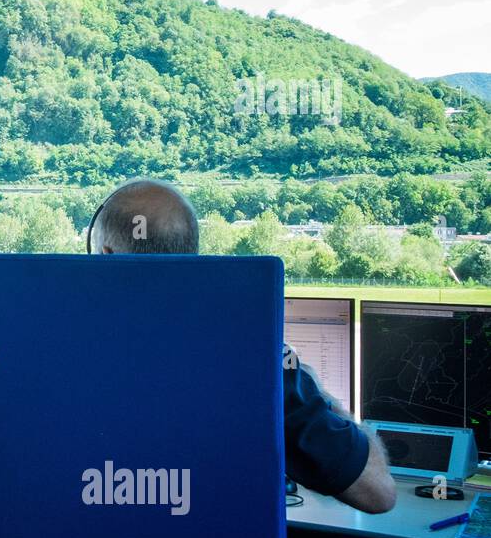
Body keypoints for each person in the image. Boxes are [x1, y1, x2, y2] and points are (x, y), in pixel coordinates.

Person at [87, 179, 397, 514]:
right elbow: (378, 492)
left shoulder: (45, 356)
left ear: (106, 255)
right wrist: (307, 388)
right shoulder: (257, 362)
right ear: (192, 254)